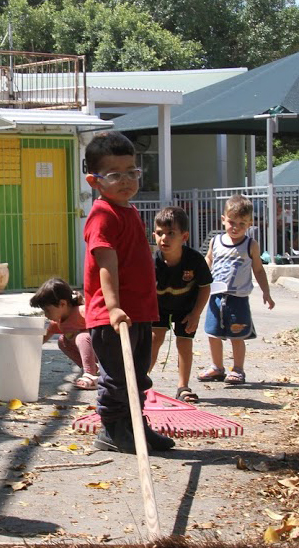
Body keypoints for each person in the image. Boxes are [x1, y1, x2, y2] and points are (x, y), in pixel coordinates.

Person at [83, 131, 175, 454]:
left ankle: (136, 425)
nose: (125, 181)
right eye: (114, 175)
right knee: (118, 377)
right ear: (94, 181)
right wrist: (113, 308)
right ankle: (113, 429)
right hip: (112, 316)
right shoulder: (103, 215)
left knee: (137, 374)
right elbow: (106, 263)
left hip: (139, 312)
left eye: (131, 172)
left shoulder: (129, 211)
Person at [198, 195, 275, 384]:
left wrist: (266, 292)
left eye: (242, 223)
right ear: (223, 219)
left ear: (250, 223)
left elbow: (258, 269)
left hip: (238, 298)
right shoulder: (216, 241)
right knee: (213, 333)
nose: (236, 227)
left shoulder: (250, 245)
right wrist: (200, 279)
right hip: (216, 296)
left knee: (237, 334)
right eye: (232, 222)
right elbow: (209, 259)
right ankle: (217, 367)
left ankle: (238, 369)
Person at [149, 206, 212, 402]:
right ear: (154, 235)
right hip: (159, 307)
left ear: (184, 237)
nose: (164, 238)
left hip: (186, 308)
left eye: (171, 233)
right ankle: (141, 381)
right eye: (160, 233)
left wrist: (196, 314)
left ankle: (183, 387)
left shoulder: (195, 260)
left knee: (184, 342)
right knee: (154, 339)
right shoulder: (151, 262)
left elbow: (205, 287)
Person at [30, 278, 99, 390]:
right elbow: (41, 340)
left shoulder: (81, 312)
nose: (46, 315)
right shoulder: (57, 322)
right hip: (92, 355)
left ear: (62, 304)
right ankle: (92, 369)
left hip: (103, 350)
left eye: (48, 310)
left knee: (82, 337)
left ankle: (90, 375)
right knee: (62, 341)